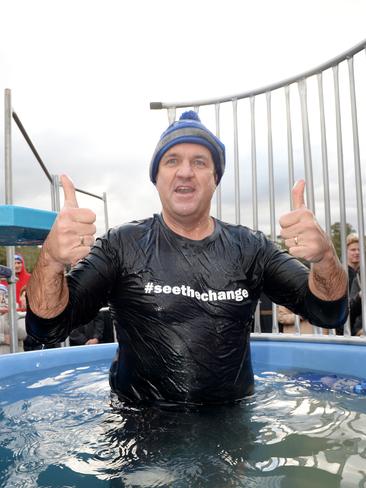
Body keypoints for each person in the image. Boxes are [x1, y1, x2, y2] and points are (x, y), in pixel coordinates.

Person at [25, 111, 348, 407]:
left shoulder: (251, 247)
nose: (185, 172)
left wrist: (323, 259)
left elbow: (328, 311)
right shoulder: (122, 244)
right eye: (172, 160)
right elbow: (48, 326)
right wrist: (52, 260)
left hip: (229, 422)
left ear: (215, 178)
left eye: (199, 162)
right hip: (142, 423)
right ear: (156, 178)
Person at [0, 284, 26, 354]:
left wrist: (9, 315)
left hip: (17, 355)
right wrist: (3, 338)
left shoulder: (16, 310)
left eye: (2, 294)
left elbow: (23, 335)